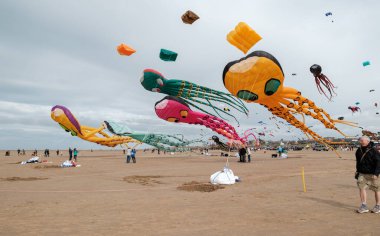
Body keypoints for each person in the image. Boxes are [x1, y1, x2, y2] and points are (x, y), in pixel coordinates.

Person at [355, 136, 380, 214]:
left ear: (368, 141)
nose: (360, 141)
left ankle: (378, 205)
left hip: (372, 174)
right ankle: (364, 205)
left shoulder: (374, 150)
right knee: (361, 188)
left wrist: (376, 173)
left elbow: (378, 163)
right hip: (362, 173)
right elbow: (358, 162)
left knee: (376, 189)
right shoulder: (358, 150)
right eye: (360, 140)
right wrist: (358, 172)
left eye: (362, 140)